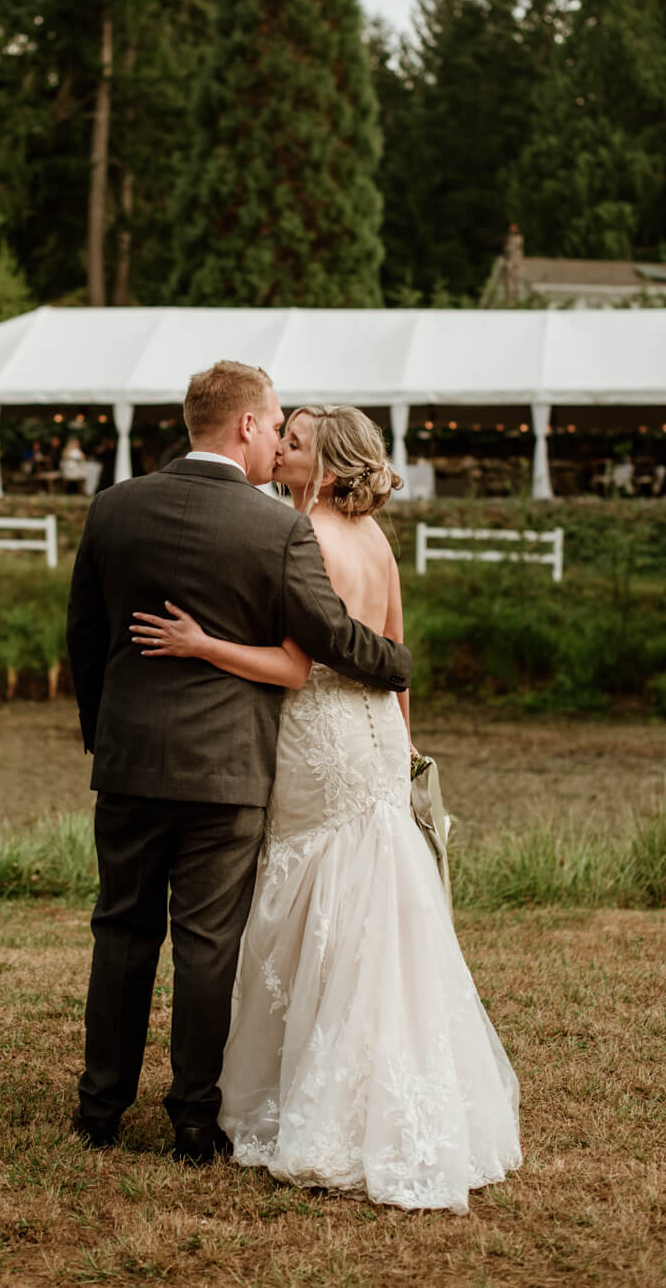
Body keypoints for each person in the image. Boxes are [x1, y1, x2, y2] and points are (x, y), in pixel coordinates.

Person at [132, 405, 521, 1212]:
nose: (280, 448)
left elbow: (295, 668)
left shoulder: (302, 537)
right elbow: (396, 659)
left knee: (312, 903)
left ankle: (321, 1102)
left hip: (320, 740)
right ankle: (399, 1093)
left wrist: (201, 645)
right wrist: (402, 752)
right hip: (374, 740)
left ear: (331, 469)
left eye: (296, 443)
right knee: (375, 907)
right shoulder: (377, 541)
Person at [66, 364, 411, 1166]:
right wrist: (394, 663)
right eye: (276, 420)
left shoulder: (113, 508)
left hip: (128, 763)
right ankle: (192, 1120)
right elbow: (327, 637)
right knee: (207, 944)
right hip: (227, 772)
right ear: (248, 427)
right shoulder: (274, 529)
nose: (280, 434)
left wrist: (104, 735)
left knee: (120, 932)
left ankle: (98, 1111)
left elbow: (85, 638)